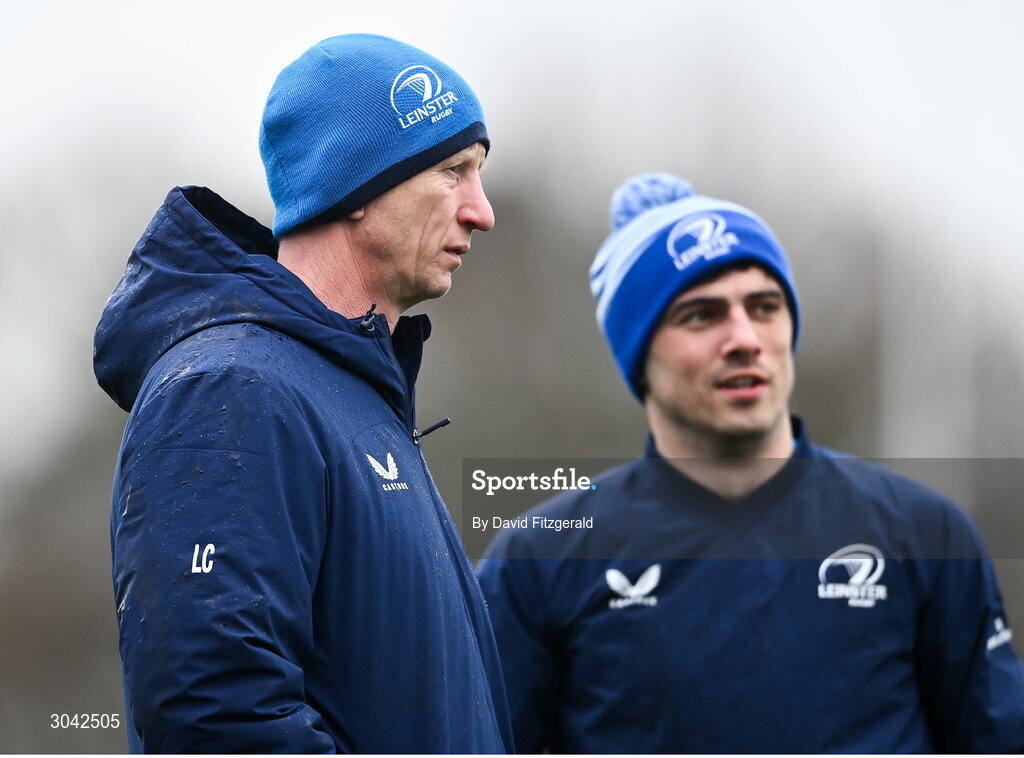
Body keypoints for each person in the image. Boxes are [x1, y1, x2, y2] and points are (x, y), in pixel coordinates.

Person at [476, 173, 1024, 752]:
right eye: (701, 315)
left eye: (764, 307)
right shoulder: (540, 558)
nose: (744, 338)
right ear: (639, 353)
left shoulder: (926, 533)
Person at [93, 34, 512, 753]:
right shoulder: (231, 389)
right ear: (355, 186)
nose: (482, 211)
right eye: (452, 172)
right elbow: (216, 717)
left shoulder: (349, 395)